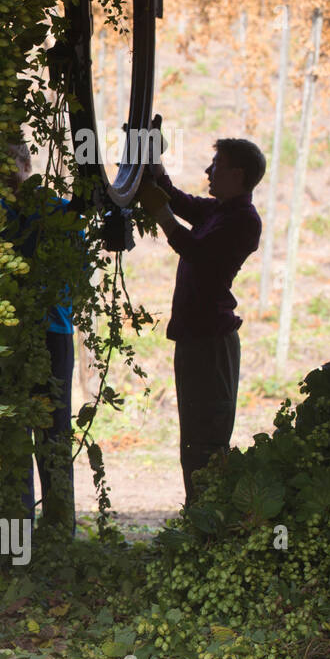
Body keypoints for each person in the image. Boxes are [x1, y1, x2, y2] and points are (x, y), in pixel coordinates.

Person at [135, 138, 264, 507]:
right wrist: (154, 165)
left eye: (216, 164)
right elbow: (177, 198)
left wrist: (162, 215)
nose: (209, 171)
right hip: (196, 338)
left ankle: (206, 522)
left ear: (237, 174)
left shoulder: (242, 220)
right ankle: (199, 518)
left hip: (211, 342)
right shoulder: (219, 211)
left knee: (206, 437)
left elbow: (196, 252)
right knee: (193, 433)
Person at [1, 141, 85, 535]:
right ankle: (18, 529)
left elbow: (76, 276)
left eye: (5, 165)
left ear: (24, 163)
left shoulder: (58, 213)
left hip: (52, 334)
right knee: (12, 431)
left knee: (53, 431)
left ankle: (58, 528)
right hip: (7, 337)